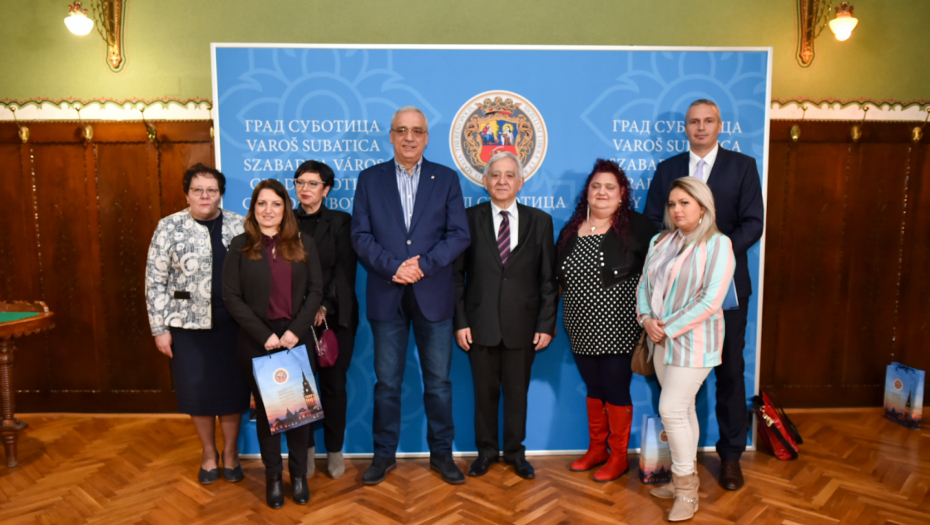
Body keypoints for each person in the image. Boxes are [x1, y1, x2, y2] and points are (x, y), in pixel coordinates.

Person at [643, 98, 764, 491]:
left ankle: (730, 457)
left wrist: (712, 251)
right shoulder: (668, 170)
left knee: (730, 371)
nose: (700, 127)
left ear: (719, 125)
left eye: (708, 121)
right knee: (678, 381)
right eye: (693, 121)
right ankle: (685, 460)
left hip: (725, 289)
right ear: (685, 127)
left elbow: (753, 222)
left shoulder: (742, 167)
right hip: (674, 296)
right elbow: (651, 221)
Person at [351, 106, 471, 485]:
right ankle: (383, 456)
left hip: (433, 295)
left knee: (438, 383)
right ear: (390, 135)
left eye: (417, 131)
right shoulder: (370, 179)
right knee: (387, 383)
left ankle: (442, 456)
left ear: (426, 137)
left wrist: (422, 265)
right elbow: (360, 236)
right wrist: (393, 267)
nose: (409, 137)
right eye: (401, 130)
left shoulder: (447, 178)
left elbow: (459, 234)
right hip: (387, 295)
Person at [453, 152, 557, 480]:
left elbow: (548, 280)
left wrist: (545, 324)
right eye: (495, 175)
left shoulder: (540, 221)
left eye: (509, 175)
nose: (501, 180)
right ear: (485, 181)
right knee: (483, 394)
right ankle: (485, 451)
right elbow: (456, 277)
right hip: (479, 324)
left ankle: (515, 452)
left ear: (521, 182)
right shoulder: (467, 219)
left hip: (523, 327)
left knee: (517, 394)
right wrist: (460, 321)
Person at [144, 163, 250, 486]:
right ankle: (208, 453)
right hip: (186, 328)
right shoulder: (168, 227)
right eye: (197, 190)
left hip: (234, 327)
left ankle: (230, 453)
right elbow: (154, 281)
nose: (205, 196)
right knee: (198, 394)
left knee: (233, 393)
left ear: (221, 194)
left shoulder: (240, 225)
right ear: (187, 193)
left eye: (212, 190)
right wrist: (159, 329)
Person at [637, 177, 736, 521]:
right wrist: (646, 317)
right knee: (685, 411)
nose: (677, 210)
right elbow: (644, 284)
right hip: (659, 341)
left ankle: (686, 492)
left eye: (685, 203)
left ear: (703, 206)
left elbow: (710, 301)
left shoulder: (718, 244)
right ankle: (685, 477)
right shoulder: (660, 241)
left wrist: (668, 328)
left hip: (695, 343)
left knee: (672, 409)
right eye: (672, 204)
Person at [222, 179, 323, 509]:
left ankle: (299, 478)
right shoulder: (239, 246)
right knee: (268, 416)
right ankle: (273, 479)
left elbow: (316, 292)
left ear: (285, 209)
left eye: (275, 204)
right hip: (257, 341)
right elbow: (231, 297)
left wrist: (297, 330)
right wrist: (263, 335)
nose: (268, 210)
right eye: (261, 203)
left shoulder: (303, 243)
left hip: (295, 339)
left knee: (299, 415)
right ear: (253, 209)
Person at [556, 159, 657, 482]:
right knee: (594, 388)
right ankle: (597, 449)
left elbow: (657, 276)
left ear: (622, 193)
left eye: (609, 187)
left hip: (619, 327)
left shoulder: (639, 227)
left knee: (616, 388)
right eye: (596, 186)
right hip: (580, 326)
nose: (602, 192)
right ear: (587, 191)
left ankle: (618, 457)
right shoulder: (571, 229)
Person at [292, 160, 358, 479]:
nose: (305, 188)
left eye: (313, 183)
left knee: (333, 387)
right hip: (292, 319)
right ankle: (304, 452)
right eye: (300, 182)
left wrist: (324, 307)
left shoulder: (341, 222)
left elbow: (345, 271)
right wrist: (302, 309)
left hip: (334, 318)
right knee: (300, 390)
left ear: (326, 189)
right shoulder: (284, 221)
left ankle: (334, 450)